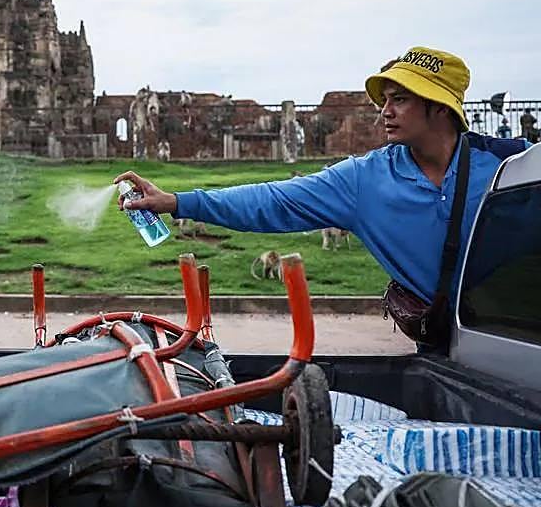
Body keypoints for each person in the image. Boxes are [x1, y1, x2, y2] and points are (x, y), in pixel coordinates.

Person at [114, 46, 532, 342]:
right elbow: (275, 200)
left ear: (440, 108)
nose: (385, 110)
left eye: (400, 99)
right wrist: (177, 202)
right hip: (440, 345)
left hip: (518, 335)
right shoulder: (364, 181)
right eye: (385, 100)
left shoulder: (508, 166)